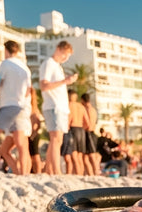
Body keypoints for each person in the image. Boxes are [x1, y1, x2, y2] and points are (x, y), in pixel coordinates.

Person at [0, 40, 32, 175]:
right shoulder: (25, 68)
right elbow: (28, 90)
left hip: (8, 105)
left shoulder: (6, 63)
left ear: (6, 50)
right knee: (21, 145)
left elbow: (0, 82)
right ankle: (22, 174)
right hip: (21, 106)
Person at [39, 40, 78, 175]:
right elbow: (44, 85)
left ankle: (50, 170)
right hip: (53, 105)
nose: (65, 58)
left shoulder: (57, 66)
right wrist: (65, 81)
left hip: (60, 107)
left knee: (57, 139)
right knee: (56, 139)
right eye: (65, 55)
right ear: (58, 49)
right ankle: (55, 171)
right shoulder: (49, 63)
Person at [67, 89, 90, 175]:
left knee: (74, 156)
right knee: (80, 156)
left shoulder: (69, 105)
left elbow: (69, 119)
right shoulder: (81, 106)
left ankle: (78, 174)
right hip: (81, 130)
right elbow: (87, 123)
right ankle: (81, 174)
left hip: (73, 129)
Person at [81, 93, 99, 175]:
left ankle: (94, 173)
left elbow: (87, 124)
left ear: (82, 100)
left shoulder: (86, 109)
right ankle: (92, 173)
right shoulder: (93, 109)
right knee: (88, 156)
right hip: (93, 133)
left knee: (91, 156)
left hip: (88, 133)